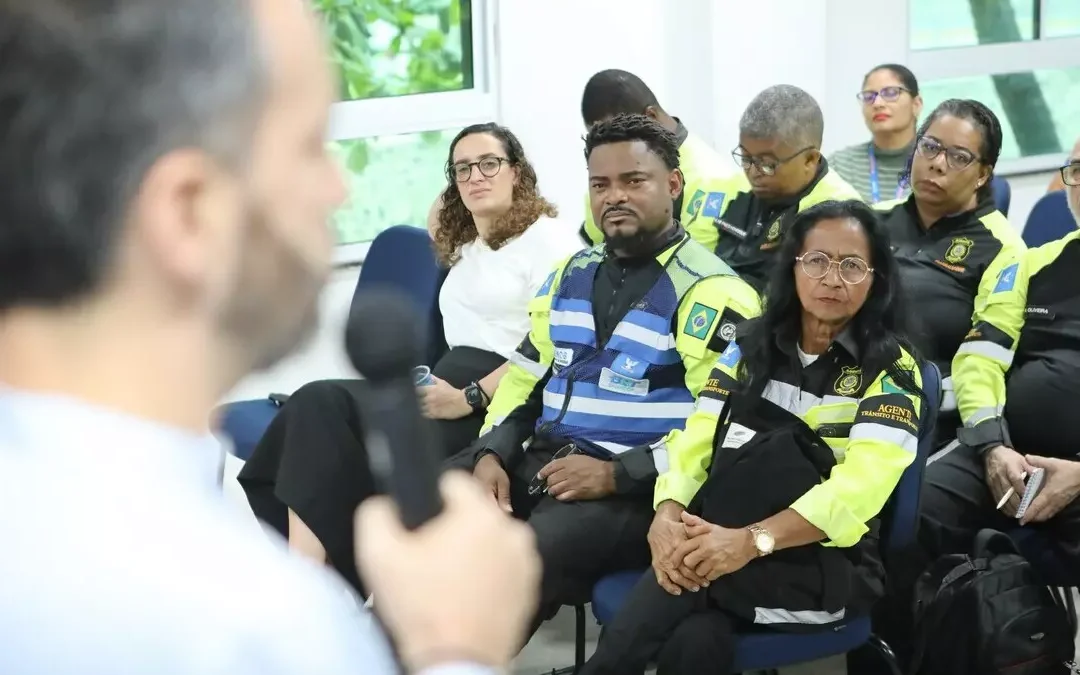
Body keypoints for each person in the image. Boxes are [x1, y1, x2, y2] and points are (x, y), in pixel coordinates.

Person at [0, 1, 540, 674]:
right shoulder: (255, 630)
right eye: (309, 146)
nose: (337, 188)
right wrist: (457, 650)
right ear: (188, 208)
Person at [580, 199, 924, 674]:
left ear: (876, 279)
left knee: (687, 577)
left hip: (824, 568)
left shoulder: (891, 371)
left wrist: (749, 542)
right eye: (818, 261)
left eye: (851, 266)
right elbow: (697, 436)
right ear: (793, 268)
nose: (832, 278)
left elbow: (857, 492)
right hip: (723, 540)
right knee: (696, 638)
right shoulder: (748, 345)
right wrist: (668, 510)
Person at [455, 113, 762, 642]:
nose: (613, 196)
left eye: (633, 181)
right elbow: (525, 379)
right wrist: (491, 453)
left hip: (638, 493)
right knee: (425, 517)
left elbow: (723, 426)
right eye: (600, 184)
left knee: (516, 562)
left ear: (672, 185)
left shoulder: (713, 292)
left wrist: (618, 475)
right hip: (544, 461)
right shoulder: (571, 274)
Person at [238, 122, 581, 595]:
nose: (476, 176)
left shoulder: (553, 244)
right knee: (315, 407)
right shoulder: (472, 242)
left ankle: (314, 592)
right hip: (440, 387)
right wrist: (467, 191)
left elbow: (554, 347)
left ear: (518, 172)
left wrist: (470, 397)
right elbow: (438, 214)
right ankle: (309, 583)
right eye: (462, 169)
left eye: (489, 164)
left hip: (501, 404)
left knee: (330, 418)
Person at [875, 99, 1025, 444]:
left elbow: (985, 355)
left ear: (983, 174)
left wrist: (986, 438)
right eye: (929, 147)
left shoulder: (1004, 249)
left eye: (959, 157)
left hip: (921, 411)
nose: (937, 164)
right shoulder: (870, 221)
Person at [708, 85, 861, 291]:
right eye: (745, 158)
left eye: (767, 164)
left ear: (809, 159)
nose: (753, 172)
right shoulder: (739, 188)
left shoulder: (839, 218)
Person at [577, 69, 739, 253]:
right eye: (600, 137)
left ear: (651, 118)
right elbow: (596, 249)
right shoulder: (608, 173)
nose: (614, 196)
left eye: (620, 134)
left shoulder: (711, 178)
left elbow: (692, 267)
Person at [829, 64, 923, 203]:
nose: (877, 103)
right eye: (868, 96)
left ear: (916, 104)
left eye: (891, 93)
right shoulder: (839, 167)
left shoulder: (935, 164)